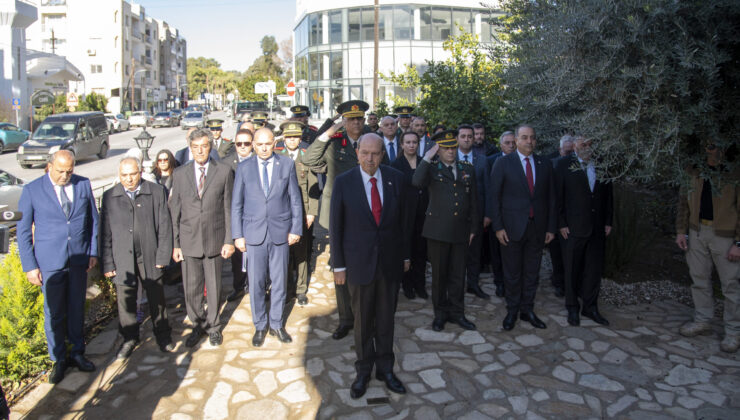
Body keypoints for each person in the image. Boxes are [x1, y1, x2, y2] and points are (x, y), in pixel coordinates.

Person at [330, 133, 409, 398]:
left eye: (375, 154)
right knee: (362, 321)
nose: (370, 159)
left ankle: (386, 369)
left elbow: (404, 223)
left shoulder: (396, 179)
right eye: (365, 153)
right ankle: (363, 370)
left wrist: (405, 256)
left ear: (382, 155)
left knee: (386, 319)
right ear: (357, 152)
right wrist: (338, 265)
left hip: (388, 263)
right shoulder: (344, 182)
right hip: (358, 264)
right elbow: (336, 225)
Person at [17, 150, 98, 384]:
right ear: (49, 167)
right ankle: (59, 359)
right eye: (61, 171)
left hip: (78, 260)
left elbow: (93, 220)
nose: (65, 176)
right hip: (49, 263)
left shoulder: (83, 185)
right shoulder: (32, 190)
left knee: (76, 308)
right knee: (54, 313)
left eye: (70, 171)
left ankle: (77, 353)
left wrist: (92, 251)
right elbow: (23, 232)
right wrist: (30, 266)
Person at [303, 100, 370, 340]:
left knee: (365, 262)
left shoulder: (371, 140)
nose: (356, 123)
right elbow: (308, 160)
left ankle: (364, 313)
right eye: (351, 119)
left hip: (367, 213)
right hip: (340, 213)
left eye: (360, 119)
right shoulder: (333, 143)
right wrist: (330, 130)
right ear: (344, 121)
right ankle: (345, 319)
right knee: (340, 264)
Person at [232, 128, 303, 347]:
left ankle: (276, 323)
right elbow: (236, 205)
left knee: (280, 281)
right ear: (253, 145)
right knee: (256, 282)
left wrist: (296, 228)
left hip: (280, 232)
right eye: (259, 144)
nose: (263, 148)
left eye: (268, 144)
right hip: (253, 234)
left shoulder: (286, 165)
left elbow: (294, 200)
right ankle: (260, 325)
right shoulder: (244, 168)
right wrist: (237, 235)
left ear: (275, 144)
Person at [100, 157, 174, 359]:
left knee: (156, 298)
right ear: (119, 175)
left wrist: (163, 255)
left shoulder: (155, 191)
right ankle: (129, 338)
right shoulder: (109, 197)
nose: (129, 179)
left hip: (150, 255)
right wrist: (107, 262)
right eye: (124, 175)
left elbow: (165, 226)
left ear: (140, 172)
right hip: (122, 256)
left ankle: (163, 335)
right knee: (126, 301)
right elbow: (104, 232)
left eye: (133, 174)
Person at [169, 128, 235, 347]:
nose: (200, 151)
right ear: (190, 148)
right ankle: (197, 325)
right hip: (189, 241)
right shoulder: (179, 174)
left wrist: (228, 240)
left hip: (215, 239)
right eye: (195, 147)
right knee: (192, 288)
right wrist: (176, 244)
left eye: (204, 146)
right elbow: (174, 212)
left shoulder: (224, 172)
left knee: (215, 287)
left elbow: (228, 209)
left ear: (210, 147)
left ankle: (214, 326)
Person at [489, 124, 556, 331]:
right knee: (512, 273)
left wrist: (551, 227)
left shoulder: (545, 164)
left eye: (533, 138)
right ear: (516, 140)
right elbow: (494, 198)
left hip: (537, 229)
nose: (529, 141)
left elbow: (552, 198)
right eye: (525, 137)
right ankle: (512, 310)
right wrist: (498, 227)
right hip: (510, 229)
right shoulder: (503, 163)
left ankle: (527, 310)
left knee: (531, 272)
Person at [676, 141, 740, 353]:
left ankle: (733, 331)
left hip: (725, 235)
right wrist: (681, 231)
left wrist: (738, 243)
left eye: (713, 146)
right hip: (697, 231)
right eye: (706, 146)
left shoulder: (733, 172)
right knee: (699, 278)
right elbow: (683, 202)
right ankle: (702, 319)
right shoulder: (694, 169)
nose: (709, 150)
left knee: (730, 284)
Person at [413, 130, 479, 332]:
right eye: (445, 147)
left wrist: (474, 227)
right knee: (440, 276)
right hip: (437, 231)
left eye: (453, 147)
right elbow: (416, 181)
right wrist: (427, 156)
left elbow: (474, 200)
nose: (450, 151)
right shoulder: (432, 169)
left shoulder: (466, 168)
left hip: (461, 231)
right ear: (438, 149)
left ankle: (458, 313)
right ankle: (440, 314)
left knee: (458, 275)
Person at [555, 136, 613, 326]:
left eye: (590, 144)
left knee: (593, 270)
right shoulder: (564, 164)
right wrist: (561, 223)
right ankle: (572, 307)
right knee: (571, 269)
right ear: (575, 145)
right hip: (572, 228)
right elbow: (557, 196)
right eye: (583, 144)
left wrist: (608, 221)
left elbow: (608, 195)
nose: (587, 147)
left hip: (597, 228)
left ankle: (590, 307)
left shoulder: (604, 164)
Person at [277, 121, 319, 306]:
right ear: (284, 139)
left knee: (302, 252)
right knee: (283, 252)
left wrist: (311, 213)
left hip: (302, 211)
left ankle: (301, 289)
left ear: (300, 138)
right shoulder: (277, 155)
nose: (292, 140)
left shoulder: (306, 155)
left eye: (295, 137)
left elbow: (313, 186)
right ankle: (286, 288)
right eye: (289, 137)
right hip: (281, 212)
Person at [392, 131, 429, 300]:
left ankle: (420, 284)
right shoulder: (396, 164)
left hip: (423, 213)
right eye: (408, 142)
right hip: (405, 213)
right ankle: (407, 285)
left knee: (421, 250)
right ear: (402, 145)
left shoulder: (425, 162)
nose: (411, 145)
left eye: (414, 142)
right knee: (406, 249)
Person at [457, 124, 491, 299]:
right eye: (463, 136)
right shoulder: (448, 157)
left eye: (470, 136)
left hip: (476, 213)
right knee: (455, 253)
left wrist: (487, 214)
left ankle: (473, 284)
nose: (467, 139)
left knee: (475, 252)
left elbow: (487, 188)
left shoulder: (482, 159)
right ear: (457, 138)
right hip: (455, 214)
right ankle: (455, 286)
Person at [223, 128, 255, 302]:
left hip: (256, 215)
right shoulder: (227, 163)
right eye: (239, 144)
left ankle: (257, 284)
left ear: (252, 144)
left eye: (246, 143)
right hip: (236, 215)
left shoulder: (259, 160)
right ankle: (239, 286)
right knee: (237, 256)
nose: (243, 147)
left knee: (257, 254)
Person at [486, 131, 517, 298]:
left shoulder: (522, 161)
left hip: (515, 215)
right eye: (507, 142)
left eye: (513, 142)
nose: (511, 145)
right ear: (501, 144)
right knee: (497, 252)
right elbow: (488, 190)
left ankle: (513, 281)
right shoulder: (491, 161)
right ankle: (499, 282)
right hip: (496, 214)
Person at [548, 134, 575, 298]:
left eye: (573, 152)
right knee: (557, 253)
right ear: (560, 150)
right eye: (567, 152)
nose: (570, 155)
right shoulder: (553, 165)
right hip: (555, 216)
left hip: (573, 217)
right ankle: (559, 282)